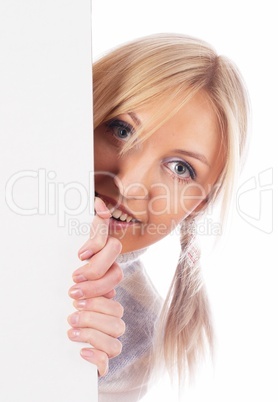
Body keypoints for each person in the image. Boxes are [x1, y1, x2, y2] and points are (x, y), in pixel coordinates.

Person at [67, 33, 249, 401]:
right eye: (121, 130)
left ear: (200, 203)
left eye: (180, 168)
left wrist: (63, 376)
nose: (131, 185)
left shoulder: (133, 339)